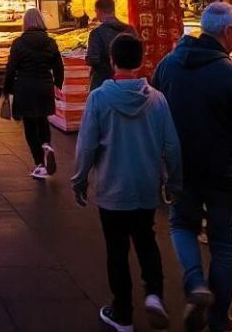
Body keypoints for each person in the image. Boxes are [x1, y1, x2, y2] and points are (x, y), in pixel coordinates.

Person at [151, 2, 232, 332]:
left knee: (182, 224)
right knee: (224, 243)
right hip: (225, 171)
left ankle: (195, 281)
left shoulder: (168, 64)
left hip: (181, 167)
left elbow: (156, 109)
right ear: (228, 32)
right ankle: (220, 318)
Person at [74, 33, 180, 332]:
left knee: (116, 249)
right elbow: (171, 145)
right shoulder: (157, 99)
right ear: (141, 61)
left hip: (111, 187)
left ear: (111, 61)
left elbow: (87, 145)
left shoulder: (98, 98)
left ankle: (122, 313)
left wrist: (80, 178)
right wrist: (175, 180)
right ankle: (155, 295)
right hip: (146, 185)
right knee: (146, 239)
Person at [4, 8, 64, 178]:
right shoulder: (50, 42)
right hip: (44, 86)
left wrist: (7, 89)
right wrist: (57, 84)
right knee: (43, 119)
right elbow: (58, 66)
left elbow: (11, 68)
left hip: (25, 86)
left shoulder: (19, 43)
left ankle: (39, 163)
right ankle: (46, 145)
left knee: (30, 125)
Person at [86, 0, 135, 92]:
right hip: (129, 83)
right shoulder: (130, 30)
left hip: (103, 84)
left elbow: (93, 59)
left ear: (99, 11)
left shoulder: (97, 33)